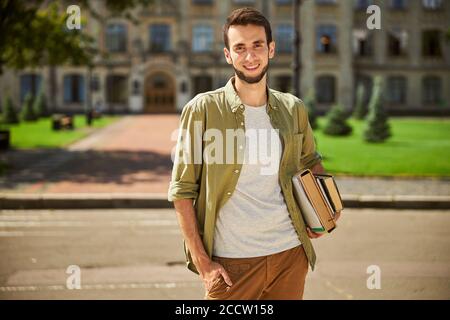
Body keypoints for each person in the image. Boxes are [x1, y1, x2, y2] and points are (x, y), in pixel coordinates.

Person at [168, 7, 341, 300]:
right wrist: (203, 263)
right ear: (228, 55)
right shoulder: (202, 109)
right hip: (232, 264)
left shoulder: (292, 108)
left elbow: (312, 161)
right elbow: (182, 190)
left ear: (271, 49)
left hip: (290, 254)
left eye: (257, 45)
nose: (250, 56)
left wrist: (326, 211)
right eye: (240, 48)